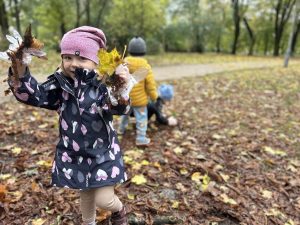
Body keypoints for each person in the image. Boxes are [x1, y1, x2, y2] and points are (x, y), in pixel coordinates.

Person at [6, 26, 130, 225]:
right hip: (76, 153)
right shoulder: (60, 86)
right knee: (86, 193)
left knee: (103, 199)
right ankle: (88, 222)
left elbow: (119, 109)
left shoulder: (101, 87)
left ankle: (119, 209)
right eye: (68, 57)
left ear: (95, 61)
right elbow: (35, 96)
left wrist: (120, 88)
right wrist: (19, 70)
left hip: (104, 154)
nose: (74, 64)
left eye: (82, 58)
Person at [118, 36, 158, 146]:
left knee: (124, 114)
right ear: (144, 51)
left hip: (125, 97)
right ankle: (140, 138)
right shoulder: (146, 66)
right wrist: (154, 97)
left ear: (130, 50)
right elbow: (150, 85)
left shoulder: (124, 63)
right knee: (141, 118)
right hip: (140, 101)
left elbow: (118, 79)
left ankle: (120, 130)